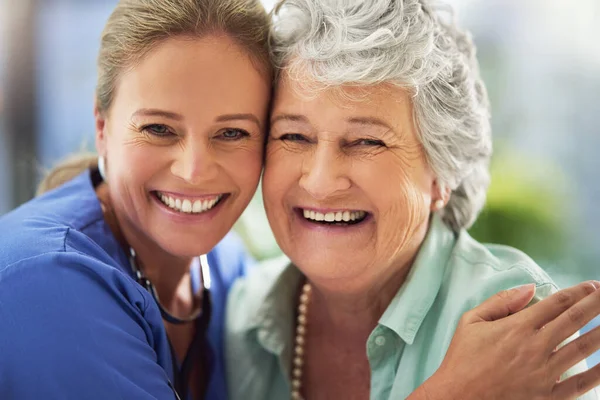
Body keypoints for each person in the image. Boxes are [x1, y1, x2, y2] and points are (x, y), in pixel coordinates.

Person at [225, 0, 600, 399]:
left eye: (368, 141)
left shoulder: (512, 325)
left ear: (441, 175)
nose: (321, 182)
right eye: (294, 136)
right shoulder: (239, 319)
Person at [0, 0, 271, 398]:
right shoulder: (46, 277)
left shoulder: (225, 269)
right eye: (159, 128)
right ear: (102, 126)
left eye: (232, 133)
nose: (194, 171)